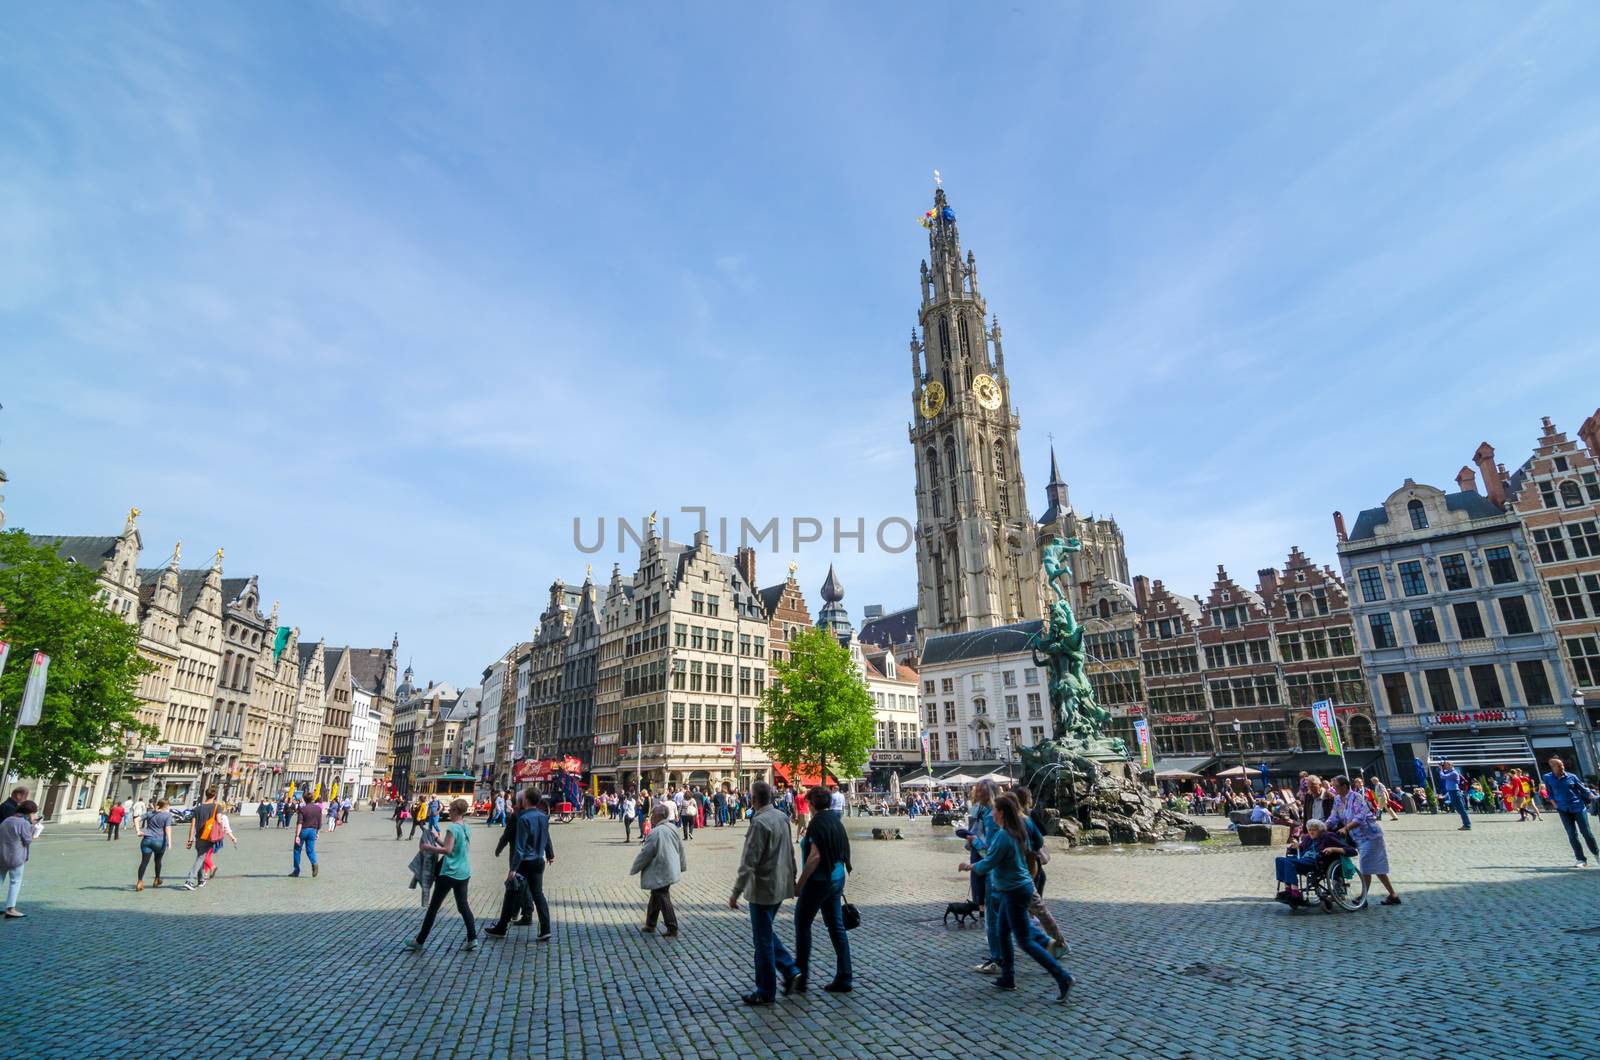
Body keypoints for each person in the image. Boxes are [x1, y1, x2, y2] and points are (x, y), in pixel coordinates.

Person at [961, 794, 1073, 1001]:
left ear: (1001, 813)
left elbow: (989, 862)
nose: (991, 813)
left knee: (1025, 942)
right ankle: (1008, 977)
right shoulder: (1014, 831)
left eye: (994, 810)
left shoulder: (1004, 836)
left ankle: (1062, 976)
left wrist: (969, 866)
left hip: (1015, 891)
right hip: (1012, 889)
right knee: (1003, 933)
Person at [730, 781, 800, 1006]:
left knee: (762, 941)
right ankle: (789, 969)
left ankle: (766, 989)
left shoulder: (759, 823)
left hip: (763, 889)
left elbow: (748, 861)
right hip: (780, 885)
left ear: (754, 799)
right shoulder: (781, 817)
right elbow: (790, 850)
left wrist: (736, 892)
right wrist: (794, 878)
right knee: (765, 933)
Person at [793, 785, 853, 994]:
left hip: (819, 881)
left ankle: (800, 977)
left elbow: (815, 856)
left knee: (802, 923)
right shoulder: (835, 821)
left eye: (808, 803)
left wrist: (800, 884)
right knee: (836, 927)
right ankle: (845, 976)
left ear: (811, 804)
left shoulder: (817, 823)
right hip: (837, 878)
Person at [404, 798, 478, 952]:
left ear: (456, 811)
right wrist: (437, 838)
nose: (448, 812)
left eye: (450, 810)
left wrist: (429, 847)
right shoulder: (465, 827)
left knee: (433, 908)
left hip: (449, 872)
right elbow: (452, 847)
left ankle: (420, 940)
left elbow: (448, 851)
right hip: (464, 872)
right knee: (463, 906)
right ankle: (472, 938)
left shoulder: (453, 828)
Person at [487, 791, 554, 940]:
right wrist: (550, 854)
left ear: (527, 800)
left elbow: (520, 847)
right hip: (539, 860)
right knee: (538, 895)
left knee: (510, 893)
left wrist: (513, 869)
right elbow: (547, 836)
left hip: (524, 862)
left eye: (523, 798)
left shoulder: (523, 818)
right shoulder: (544, 817)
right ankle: (546, 929)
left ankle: (501, 928)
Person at [1327, 775, 1400, 906]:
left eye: (1336, 786)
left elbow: (1360, 816)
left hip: (1370, 836)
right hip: (1357, 838)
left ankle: (1363, 897)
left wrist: (1346, 828)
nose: (1333, 788)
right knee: (1377, 867)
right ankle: (1393, 895)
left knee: (1366, 865)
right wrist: (1323, 827)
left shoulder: (1356, 797)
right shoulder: (1337, 799)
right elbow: (1334, 816)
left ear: (1344, 786)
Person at [630, 804, 687, 936]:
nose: (651, 817)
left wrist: (635, 868)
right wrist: (682, 865)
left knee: (662, 896)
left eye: (653, 814)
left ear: (659, 815)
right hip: (669, 868)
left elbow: (646, 853)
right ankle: (650, 924)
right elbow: (681, 849)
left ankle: (672, 927)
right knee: (656, 895)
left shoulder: (656, 832)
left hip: (661, 870)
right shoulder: (673, 828)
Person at [1272, 819, 1351, 905]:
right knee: (1279, 860)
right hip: (1304, 860)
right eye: (1309, 830)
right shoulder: (1307, 838)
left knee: (1289, 862)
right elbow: (1300, 848)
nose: (1311, 832)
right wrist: (1294, 847)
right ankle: (1288, 889)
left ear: (1321, 830)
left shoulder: (1329, 836)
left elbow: (1351, 850)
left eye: (1314, 830)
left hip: (1317, 862)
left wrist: (1332, 849)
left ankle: (1295, 891)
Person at [1541, 757, 1598, 868]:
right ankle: (1581, 859)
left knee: (1586, 832)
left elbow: (1583, 790)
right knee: (1572, 835)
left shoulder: (1572, 776)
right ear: (1552, 767)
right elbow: (1549, 792)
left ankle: (1597, 854)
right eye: (1559, 766)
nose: (1562, 767)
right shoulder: (1547, 778)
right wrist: (1555, 804)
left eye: (1562, 765)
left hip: (1578, 807)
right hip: (1563, 809)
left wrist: (1593, 797)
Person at [0, 799, 38, 918]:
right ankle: (11, 908)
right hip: (16, 856)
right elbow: (27, 840)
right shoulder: (23, 823)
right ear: (29, 813)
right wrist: (33, 827)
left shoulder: (7, 820)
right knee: (15, 881)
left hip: (1, 854)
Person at [182, 788, 223, 891]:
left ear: (206, 795)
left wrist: (190, 839)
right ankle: (189, 880)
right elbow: (218, 820)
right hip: (209, 837)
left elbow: (193, 825)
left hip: (199, 837)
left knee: (200, 856)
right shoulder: (217, 807)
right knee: (201, 857)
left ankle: (201, 880)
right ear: (214, 796)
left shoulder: (197, 808)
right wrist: (221, 829)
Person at [136, 799, 174, 891]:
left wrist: (138, 831)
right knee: (158, 860)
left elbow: (136, 819)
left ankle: (139, 881)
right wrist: (169, 841)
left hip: (147, 840)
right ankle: (157, 879)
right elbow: (168, 828)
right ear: (166, 806)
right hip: (159, 841)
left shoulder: (150, 813)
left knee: (144, 862)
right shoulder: (168, 815)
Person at [203, 805, 240, 880]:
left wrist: (232, 837)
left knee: (204, 855)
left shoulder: (211, 815)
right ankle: (206, 873)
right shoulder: (223, 817)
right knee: (208, 855)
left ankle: (212, 867)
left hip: (209, 837)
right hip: (216, 838)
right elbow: (227, 829)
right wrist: (232, 838)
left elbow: (226, 828)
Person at [291, 793, 324, 878]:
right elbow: (320, 822)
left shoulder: (302, 809)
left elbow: (300, 823)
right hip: (313, 831)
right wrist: (317, 832)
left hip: (303, 830)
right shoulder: (318, 809)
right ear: (312, 799)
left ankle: (296, 870)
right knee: (310, 850)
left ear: (305, 800)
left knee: (297, 850)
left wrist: (297, 835)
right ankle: (314, 863)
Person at [1437, 760, 1471, 830]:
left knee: (1461, 809)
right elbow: (1442, 773)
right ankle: (1466, 824)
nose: (1444, 766)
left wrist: (1441, 769)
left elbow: (1443, 776)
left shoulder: (1454, 773)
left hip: (1455, 792)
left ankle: (1467, 825)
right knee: (1458, 809)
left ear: (1450, 765)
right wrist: (1441, 767)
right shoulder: (1449, 772)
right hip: (1451, 792)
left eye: (1445, 765)